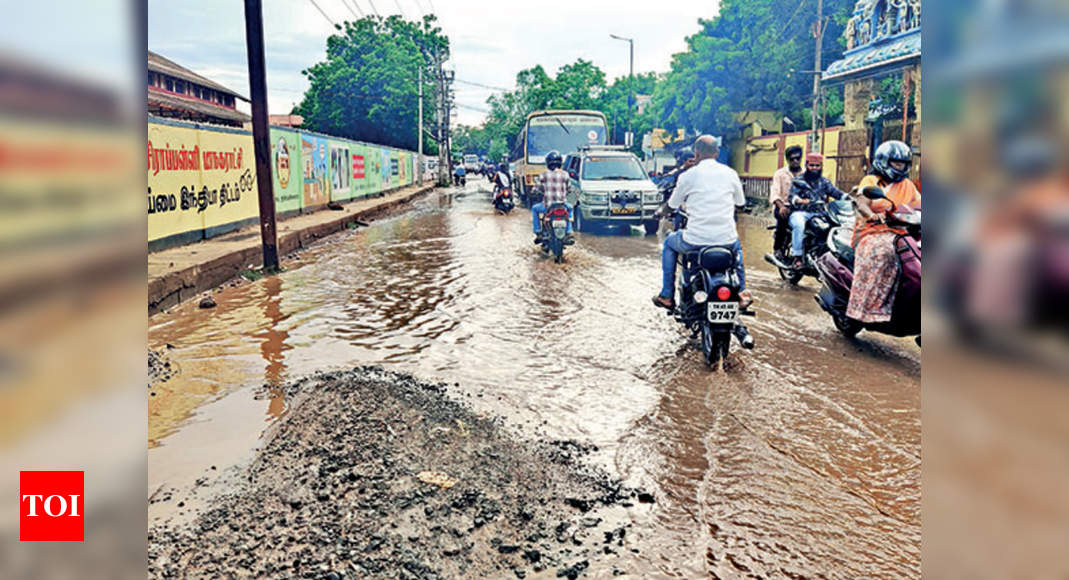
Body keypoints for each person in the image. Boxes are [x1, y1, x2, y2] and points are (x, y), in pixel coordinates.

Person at [652, 135, 752, 310]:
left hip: (695, 241)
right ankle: (742, 292)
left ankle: (667, 295)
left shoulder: (688, 176)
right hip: (726, 240)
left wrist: (659, 212)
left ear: (696, 153)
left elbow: (672, 205)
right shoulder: (731, 174)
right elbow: (741, 204)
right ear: (717, 152)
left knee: (669, 242)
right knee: (737, 247)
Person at [846, 140, 921, 323]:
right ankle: (867, 308)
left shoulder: (908, 185)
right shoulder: (871, 181)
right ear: (884, 161)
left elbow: (920, 202)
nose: (900, 167)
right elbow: (862, 202)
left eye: (903, 163)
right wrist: (871, 214)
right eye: (896, 163)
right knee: (885, 253)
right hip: (872, 232)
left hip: (901, 231)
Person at [786, 153, 847, 268]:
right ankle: (797, 257)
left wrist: (848, 198)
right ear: (806, 165)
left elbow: (835, 193)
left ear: (821, 166)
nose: (814, 168)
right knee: (798, 224)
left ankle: (828, 253)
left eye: (817, 166)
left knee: (835, 225)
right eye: (812, 165)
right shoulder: (798, 180)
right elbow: (792, 196)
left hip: (820, 213)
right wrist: (800, 200)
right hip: (801, 212)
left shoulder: (824, 182)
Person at [531, 150, 575, 244]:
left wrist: (534, 192)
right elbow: (569, 189)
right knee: (570, 208)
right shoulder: (565, 174)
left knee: (534, 209)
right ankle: (569, 232)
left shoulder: (543, 175)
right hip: (562, 205)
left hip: (548, 206)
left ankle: (538, 231)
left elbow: (536, 189)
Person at [769, 145, 805, 259]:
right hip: (784, 206)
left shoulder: (807, 173)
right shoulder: (780, 174)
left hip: (802, 207)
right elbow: (775, 193)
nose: (795, 161)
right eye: (792, 159)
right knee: (784, 216)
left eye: (797, 158)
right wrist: (781, 207)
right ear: (787, 159)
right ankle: (778, 248)